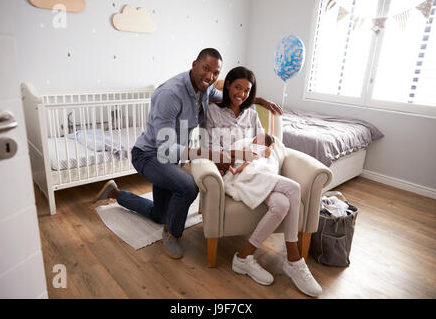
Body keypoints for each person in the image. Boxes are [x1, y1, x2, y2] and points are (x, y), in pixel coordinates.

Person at [94, 48, 282, 260]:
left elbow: (231, 97)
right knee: (187, 186)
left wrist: (258, 100)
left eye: (215, 73)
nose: (210, 76)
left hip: (171, 158)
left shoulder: (206, 89)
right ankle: (172, 234)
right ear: (194, 64)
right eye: (206, 69)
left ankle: (116, 194)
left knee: (160, 214)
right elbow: (165, 149)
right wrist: (207, 154)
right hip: (149, 155)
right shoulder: (170, 95)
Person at [205, 66, 322, 297]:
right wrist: (239, 154)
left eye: (247, 90)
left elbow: (261, 143)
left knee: (282, 204)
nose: (242, 93)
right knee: (293, 188)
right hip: (234, 172)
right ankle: (294, 259)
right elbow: (211, 149)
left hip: (256, 168)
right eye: (238, 87)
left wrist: (261, 148)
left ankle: (244, 257)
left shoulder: (252, 114)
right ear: (227, 85)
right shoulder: (212, 112)